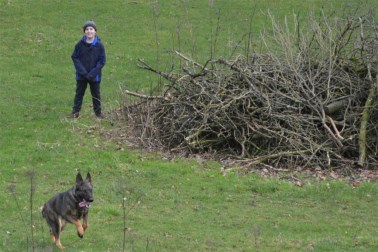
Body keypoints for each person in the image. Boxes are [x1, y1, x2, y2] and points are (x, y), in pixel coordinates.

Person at [69, 20, 106, 119]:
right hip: (82, 76)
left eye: (91, 29)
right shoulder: (79, 45)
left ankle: (98, 113)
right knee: (79, 94)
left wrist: (93, 73)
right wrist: (84, 72)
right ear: (84, 31)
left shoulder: (99, 45)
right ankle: (75, 112)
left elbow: (102, 61)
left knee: (96, 95)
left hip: (95, 76)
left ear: (95, 31)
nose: (89, 31)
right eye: (87, 29)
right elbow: (75, 57)